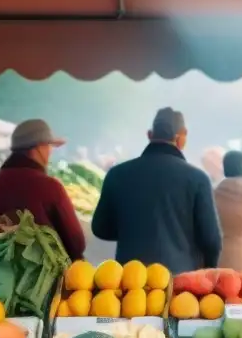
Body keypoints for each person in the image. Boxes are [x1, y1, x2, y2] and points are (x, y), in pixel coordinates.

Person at [91, 108, 222, 273]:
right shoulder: (197, 179)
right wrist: (207, 272)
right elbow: (211, 240)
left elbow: (100, 228)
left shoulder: (117, 174)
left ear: (149, 135)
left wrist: (132, 229)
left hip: (130, 283)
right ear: (182, 137)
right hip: (180, 285)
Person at [0, 119, 86, 260]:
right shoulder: (50, 188)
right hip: (44, 280)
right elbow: (76, 243)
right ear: (38, 148)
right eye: (49, 146)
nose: (50, 152)